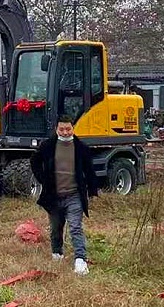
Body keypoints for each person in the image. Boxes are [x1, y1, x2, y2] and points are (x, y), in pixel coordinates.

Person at [30, 117, 98, 276]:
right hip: (54, 196)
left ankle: (80, 260)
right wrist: (43, 180)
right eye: (62, 129)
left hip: (74, 195)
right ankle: (57, 253)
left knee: (75, 227)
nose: (65, 132)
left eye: (68, 129)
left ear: (73, 128)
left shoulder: (81, 148)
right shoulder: (48, 146)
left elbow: (89, 170)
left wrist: (93, 190)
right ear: (56, 129)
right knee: (55, 228)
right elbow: (34, 161)